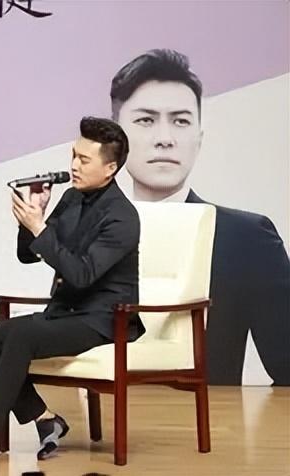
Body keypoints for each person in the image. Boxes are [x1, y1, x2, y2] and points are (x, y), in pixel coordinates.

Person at [0, 117, 144, 465]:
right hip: (65, 313)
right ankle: (45, 419)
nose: (73, 165)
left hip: (104, 321)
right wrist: (32, 221)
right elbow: (28, 254)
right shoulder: (72, 198)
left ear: (110, 168)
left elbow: (82, 274)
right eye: (73, 155)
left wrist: (40, 227)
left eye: (84, 159)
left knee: (23, 335)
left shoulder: (123, 217)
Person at [110, 48, 290, 385]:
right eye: (146, 120)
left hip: (207, 414)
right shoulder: (89, 232)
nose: (165, 139)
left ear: (199, 139)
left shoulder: (247, 238)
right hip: (104, 416)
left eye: (180, 121)